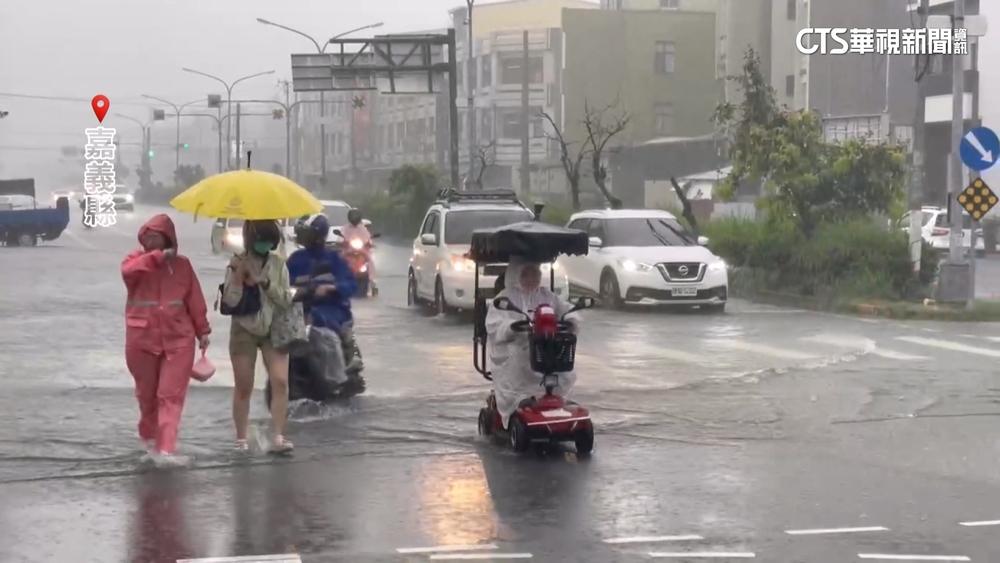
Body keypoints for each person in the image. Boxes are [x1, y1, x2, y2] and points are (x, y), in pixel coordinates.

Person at [121, 214, 210, 465]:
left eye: (156, 235)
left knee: (170, 395)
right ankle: (149, 442)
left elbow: (195, 299)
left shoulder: (183, 266)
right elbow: (128, 271)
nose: (150, 239)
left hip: (179, 340)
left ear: (168, 238)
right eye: (146, 235)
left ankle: (166, 449)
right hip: (142, 341)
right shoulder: (135, 261)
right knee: (146, 396)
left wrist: (202, 331)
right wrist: (157, 258)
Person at [222, 219, 294, 453]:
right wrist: (238, 277)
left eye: (269, 240)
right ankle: (241, 439)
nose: (265, 245)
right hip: (243, 329)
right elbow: (230, 302)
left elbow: (285, 299)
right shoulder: (237, 262)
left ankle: (278, 436)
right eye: (261, 240)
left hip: (273, 328)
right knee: (244, 385)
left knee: (280, 381)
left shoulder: (278, 265)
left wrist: (264, 282)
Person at [485, 257, 581, 430]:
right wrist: (510, 328)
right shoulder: (505, 298)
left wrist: (572, 320)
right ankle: (519, 401)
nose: (530, 279)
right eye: (525, 274)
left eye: (534, 274)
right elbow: (493, 325)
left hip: (543, 346)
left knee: (564, 362)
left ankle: (556, 399)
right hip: (513, 347)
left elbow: (565, 309)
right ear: (516, 276)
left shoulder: (547, 296)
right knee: (519, 360)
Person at [287, 214, 361, 372]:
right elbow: (282, 282)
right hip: (300, 309)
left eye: (305, 234)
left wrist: (332, 288)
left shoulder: (334, 259)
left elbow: (350, 283)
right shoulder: (295, 259)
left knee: (335, 328)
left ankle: (345, 363)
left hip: (330, 308)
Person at [338, 208, 377, 293]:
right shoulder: (345, 228)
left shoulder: (362, 228)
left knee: (370, 260)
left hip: (361, 250)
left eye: (356, 216)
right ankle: (337, 279)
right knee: (339, 259)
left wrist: (369, 243)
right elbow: (340, 238)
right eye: (352, 216)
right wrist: (342, 242)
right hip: (348, 250)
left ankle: (372, 281)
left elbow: (368, 238)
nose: (354, 218)